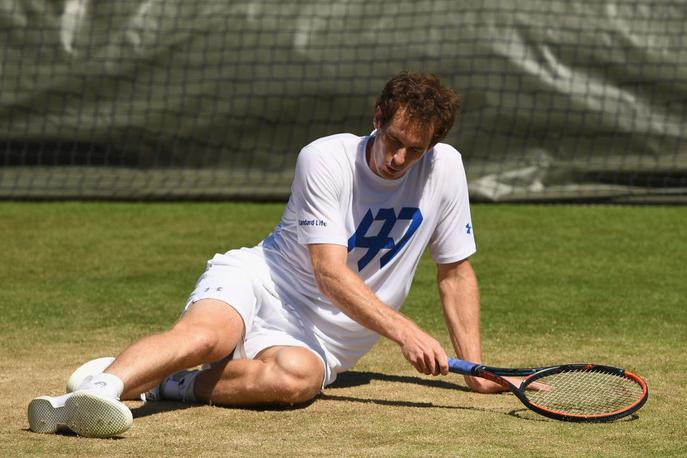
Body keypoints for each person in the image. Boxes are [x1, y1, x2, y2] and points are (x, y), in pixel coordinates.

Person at [28, 71, 503, 438]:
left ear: (433, 146)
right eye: (393, 141)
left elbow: (455, 271)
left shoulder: (446, 170)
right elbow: (329, 273)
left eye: (414, 150)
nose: (398, 159)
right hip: (264, 281)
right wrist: (405, 332)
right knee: (207, 340)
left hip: (324, 338)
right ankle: (97, 391)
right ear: (377, 117)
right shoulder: (325, 158)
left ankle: (159, 383)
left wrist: (478, 370)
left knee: (295, 382)